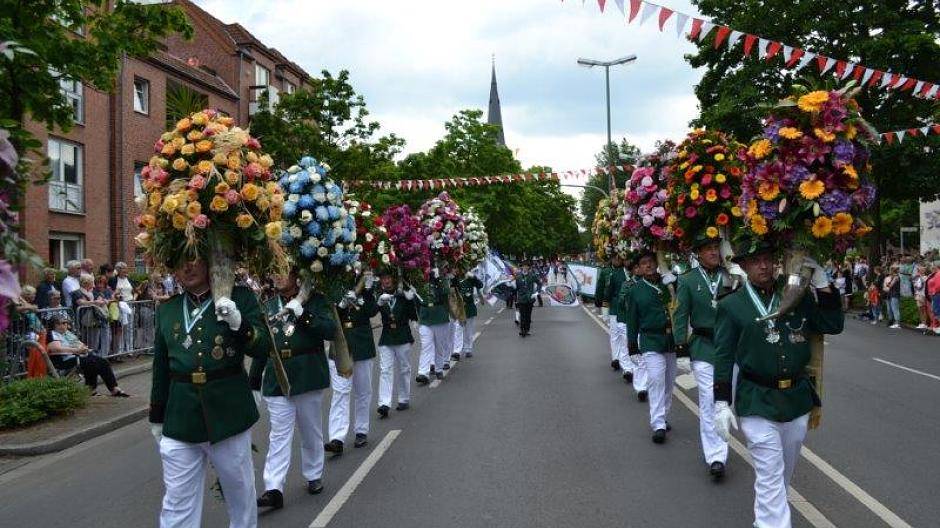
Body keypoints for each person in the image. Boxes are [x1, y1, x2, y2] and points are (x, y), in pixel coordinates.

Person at [712, 239, 843, 528]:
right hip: (756, 399)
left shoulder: (796, 296)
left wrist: (823, 285)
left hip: (796, 400)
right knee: (770, 472)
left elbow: (833, 325)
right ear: (744, 266)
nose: (763, 266)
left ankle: (766, 520)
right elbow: (722, 355)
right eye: (755, 261)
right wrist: (721, 402)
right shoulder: (731, 305)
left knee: (781, 476)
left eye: (768, 259)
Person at [148, 259, 268, 528]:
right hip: (181, 417)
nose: (187, 268)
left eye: (193, 261)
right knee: (177, 500)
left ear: (209, 261)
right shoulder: (168, 309)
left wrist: (239, 324)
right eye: (180, 263)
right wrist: (157, 415)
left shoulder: (240, 297)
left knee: (239, 490)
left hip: (228, 413)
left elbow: (263, 348)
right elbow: (161, 367)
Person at [250, 270, 336, 509]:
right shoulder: (268, 305)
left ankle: (313, 474)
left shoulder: (315, 301)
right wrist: (254, 380)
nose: (277, 277)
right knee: (279, 434)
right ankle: (273, 487)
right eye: (274, 272)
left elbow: (329, 329)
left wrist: (303, 315)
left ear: (296, 275)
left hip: (307, 373)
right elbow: (263, 344)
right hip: (278, 375)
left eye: (283, 272)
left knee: (310, 430)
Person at [672, 236, 733, 479]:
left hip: (730, 347)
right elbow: (680, 315)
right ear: (698, 253)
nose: (714, 252)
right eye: (708, 249)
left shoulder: (731, 276)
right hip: (703, 346)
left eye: (716, 248)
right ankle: (716, 455)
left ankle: (721, 440)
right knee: (709, 399)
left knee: (725, 400)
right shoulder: (688, 280)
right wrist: (681, 348)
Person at [325, 272, 379, 454]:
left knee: (363, 390)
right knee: (340, 392)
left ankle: (361, 430)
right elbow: (327, 316)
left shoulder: (364, 286)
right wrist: (340, 306)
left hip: (362, 344)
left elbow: (373, 311)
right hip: (340, 344)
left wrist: (366, 293)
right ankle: (337, 438)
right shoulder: (332, 284)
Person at [626, 251, 676, 444]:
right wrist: (632, 343)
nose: (647, 265)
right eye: (643, 263)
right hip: (650, 339)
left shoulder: (668, 283)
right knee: (656, 379)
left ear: (657, 263)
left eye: (651, 262)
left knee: (669, 381)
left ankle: (663, 415)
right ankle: (658, 424)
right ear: (638, 268)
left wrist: (672, 279)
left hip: (670, 339)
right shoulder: (636, 290)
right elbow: (632, 319)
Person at [46, 315, 130, 396]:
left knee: (101, 361)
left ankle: (113, 388)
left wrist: (84, 349)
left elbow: (78, 343)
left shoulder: (67, 333)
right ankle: (93, 389)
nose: (62, 326)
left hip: (76, 356)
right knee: (92, 362)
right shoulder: (53, 334)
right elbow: (55, 349)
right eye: (58, 324)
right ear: (53, 326)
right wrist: (76, 351)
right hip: (63, 360)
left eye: (64, 323)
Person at [375, 271, 418, 419]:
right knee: (385, 370)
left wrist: (411, 299)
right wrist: (379, 302)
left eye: (388, 278)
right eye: (383, 278)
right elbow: (372, 311)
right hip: (387, 336)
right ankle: (384, 403)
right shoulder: (380, 295)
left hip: (402, 334)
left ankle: (403, 398)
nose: (386, 281)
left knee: (404, 368)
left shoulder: (402, 295)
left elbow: (413, 314)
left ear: (393, 279)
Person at [615, 255, 647, 398]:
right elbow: (622, 301)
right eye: (637, 267)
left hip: (646, 324)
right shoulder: (628, 284)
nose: (639, 269)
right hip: (631, 322)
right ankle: (639, 385)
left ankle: (643, 385)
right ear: (633, 269)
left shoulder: (650, 283)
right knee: (636, 354)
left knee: (644, 356)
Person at [415, 272, 452, 384]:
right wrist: (416, 317)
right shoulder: (420, 282)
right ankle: (423, 373)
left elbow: (447, 291)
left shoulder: (441, 280)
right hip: (425, 317)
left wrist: (440, 278)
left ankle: (439, 368)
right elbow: (416, 300)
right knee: (425, 345)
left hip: (440, 316)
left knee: (439, 345)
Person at [71, 273, 110, 357]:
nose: (94, 285)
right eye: (92, 282)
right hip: (83, 321)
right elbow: (81, 302)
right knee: (85, 342)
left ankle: (93, 358)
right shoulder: (77, 292)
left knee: (94, 342)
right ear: (86, 283)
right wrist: (95, 302)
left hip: (94, 320)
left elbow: (99, 299)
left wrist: (102, 300)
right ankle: (87, 359)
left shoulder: (91, 293)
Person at [451, 269, 484, 361]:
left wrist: (474, 277)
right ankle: (456, 351)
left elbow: (480, 285)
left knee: (468, 330)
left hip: (469, 308)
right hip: (458, 308)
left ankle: (468, 349)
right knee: (458, 330)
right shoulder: (454, 279)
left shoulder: (470, 278)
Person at [605, 255, 628, 373]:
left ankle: (626, 364)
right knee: (615, 334)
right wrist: (606, 302)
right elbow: (609, 291)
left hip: (631, 309)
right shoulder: (615, 273)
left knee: (625, 337)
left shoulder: (637, 274)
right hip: (616, 307)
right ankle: (616, 358)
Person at [109, 262, 136, 355]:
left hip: (130, 304)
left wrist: (134, 298)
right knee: (120, 327)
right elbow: (111, 292)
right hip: (119, 305)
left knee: (130, 327)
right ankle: (120, 349)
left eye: (125, 268)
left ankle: (129, 349)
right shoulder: (113, 280)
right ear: (118, 270)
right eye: (122, 268)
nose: (125, 270)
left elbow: (134, 291)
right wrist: (116, 295)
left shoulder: (129, 279)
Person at [515, 261, 539, 337]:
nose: (525, 267)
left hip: (530, 298)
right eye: (523, 266)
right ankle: (522, 330)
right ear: (522, 267)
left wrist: (537, 292)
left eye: (526, 266)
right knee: (522, 315)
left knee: (528, 316)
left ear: (528, 267)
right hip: (521, 298)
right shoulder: (518, 276)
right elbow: (516, 287)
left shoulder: (532, 275)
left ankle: (527, 329)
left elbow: (539, 283)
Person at [912, 265, 929, 330]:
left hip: (923, 295)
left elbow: (921, 285)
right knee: (920, 309)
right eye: (919, 270)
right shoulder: (917, 277)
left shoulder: (925, 277)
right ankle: (922, 323)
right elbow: (915, 285)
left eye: (921, 270)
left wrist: (919, 277)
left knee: (924, 309)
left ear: (924, 271)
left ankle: (925, 323)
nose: (919, 271)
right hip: (918, 294)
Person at [927, 262, 940, 335]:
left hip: (937, 294)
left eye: (933, 266)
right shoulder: (936, 274)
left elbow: (938, 286)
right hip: (935, 295)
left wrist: (934, 292)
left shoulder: (938, 274)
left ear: (936, 266)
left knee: (937, 311)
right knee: (935, 311)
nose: (932, 267)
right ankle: (936, 327)